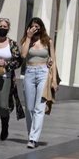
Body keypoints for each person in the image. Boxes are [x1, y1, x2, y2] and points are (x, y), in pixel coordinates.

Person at [19, 18, 58, 149]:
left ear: (41, 27)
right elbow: (23, 55)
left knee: (39, 108)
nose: (35, 28)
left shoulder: (48, 41)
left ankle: (33, 138)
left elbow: (53, 59)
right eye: (32, 26)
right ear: (29, 28)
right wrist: (29, 37)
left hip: (43, 73)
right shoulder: (26, 40)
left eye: (37, 26)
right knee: (29, 108)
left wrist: (54, 80)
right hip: (29, 72)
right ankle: (31, 134)